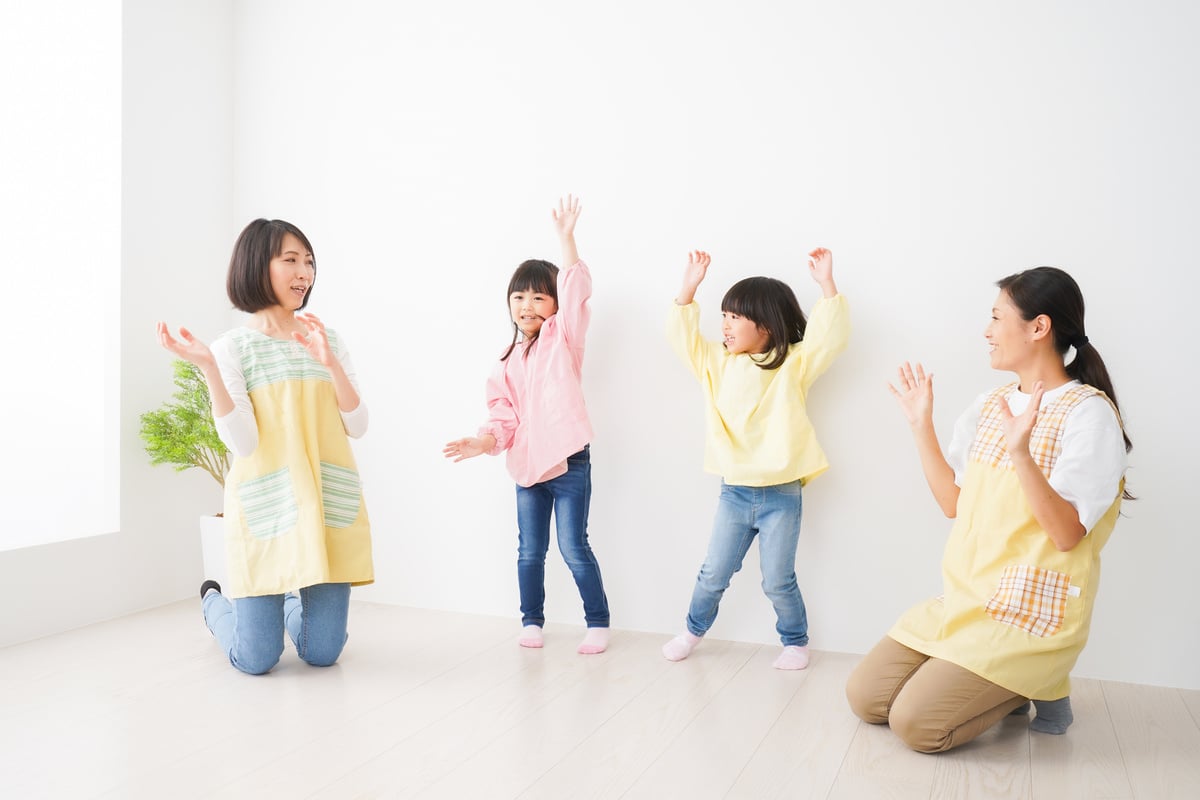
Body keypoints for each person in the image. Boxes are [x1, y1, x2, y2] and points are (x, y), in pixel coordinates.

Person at [845, 266, 1130, 752]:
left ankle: (1035, 685)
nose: (986, 330)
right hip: (967, 596)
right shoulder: (991, 403)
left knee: (916, 725)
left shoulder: (1088, 413)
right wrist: (921, 426)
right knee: (866, 699)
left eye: (997, 318)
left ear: (1038, 327)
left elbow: (1065, 535)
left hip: (1026, 611)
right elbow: (952, 503)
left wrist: (1021, 453)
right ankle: (997, 685)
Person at [157, 218, 373, 675]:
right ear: (258, 266)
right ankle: (214, 601)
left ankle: (292, 605)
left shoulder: (327, 341)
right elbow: (244, 441)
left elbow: (358, 424)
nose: (304, 273)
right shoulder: (232, 348)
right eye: (291, 260)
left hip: (325, 503)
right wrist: (209, 369)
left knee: (323, 653)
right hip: (267, 505)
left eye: (309, 262)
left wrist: (329, 363)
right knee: (256, 660)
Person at [661, 248, 849, 670]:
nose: (724, 325)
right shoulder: (715, 363)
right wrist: (689, 286)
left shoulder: (792, 365)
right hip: (735, 492)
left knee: (778, 580)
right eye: (723, 315)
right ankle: (692, 630)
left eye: (734, 317)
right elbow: (682, 337)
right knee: (713, 574)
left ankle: (795, 642)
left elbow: (827, 338)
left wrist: (827, 285)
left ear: (764, 326)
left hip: (782, 493)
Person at [444, 195, 610, 655]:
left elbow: (578, 292)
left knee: (574, 547)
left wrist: (567, 238)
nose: (528, 304)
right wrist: (482, 442)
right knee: (529, 551)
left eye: (539, 296)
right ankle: (531, 620)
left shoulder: (565, 339)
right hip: (526, 468)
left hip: (569, 460)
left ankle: (597, 622)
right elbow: (503, 419)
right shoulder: (504, 363)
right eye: (519, 297)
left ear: (555, 304)